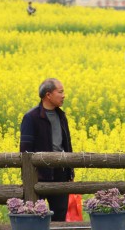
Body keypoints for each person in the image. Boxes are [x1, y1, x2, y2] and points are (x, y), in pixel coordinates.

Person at [20, 78, 74, 221]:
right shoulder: (31, 117)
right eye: (60, 92)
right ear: (48, 95)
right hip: (39, 175)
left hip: (60, 173)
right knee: (35, 216)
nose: (63, 96)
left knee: (60, 215)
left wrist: (70, 171)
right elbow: (25, 150)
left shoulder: (61, 116)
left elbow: (67, 145)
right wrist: (27, 176)